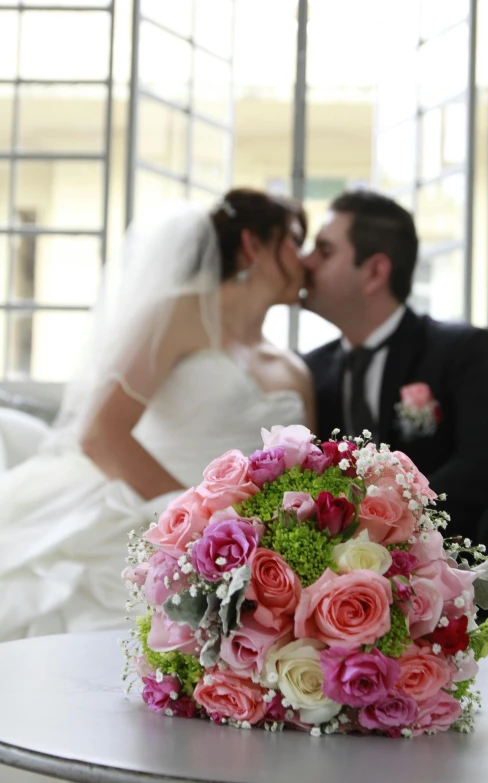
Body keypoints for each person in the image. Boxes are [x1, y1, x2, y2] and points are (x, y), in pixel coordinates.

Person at [0, 188, 314, 642]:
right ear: (252, 244)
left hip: (252, 547)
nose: (306, 260)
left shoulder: (296, 370)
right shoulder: (178, 315)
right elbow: (100, 435)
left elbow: (304, 478)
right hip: (145, 506)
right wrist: (196, 523)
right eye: (295, 241)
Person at [301, 189, 488, 653]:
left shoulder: (460, 350)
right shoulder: (309, 372)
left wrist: (394, 523)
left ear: (376, 271)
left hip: (440, 546)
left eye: (324, 250)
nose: (306, 262)